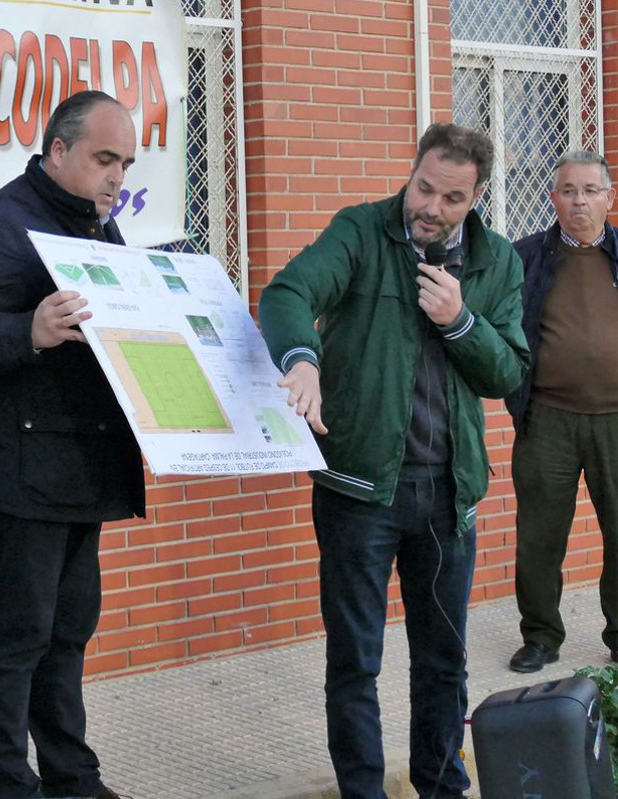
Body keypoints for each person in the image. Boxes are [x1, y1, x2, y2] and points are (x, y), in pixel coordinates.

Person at [258, 122, 530, 799]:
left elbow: (508, 371)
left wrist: (461, 320)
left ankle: (441, 786)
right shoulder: (360, 230)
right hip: (359, 490)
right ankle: (363, 791)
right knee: (355, 661)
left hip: (446, 495)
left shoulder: (497, 261)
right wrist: (302, 359)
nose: (430, 207)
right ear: (411, 174)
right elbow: (288, 293)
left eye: (451, 197)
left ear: (475, 198)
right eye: (423, 187)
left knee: (444, 662)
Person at [0, 90, 143, 799]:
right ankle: (6, 783)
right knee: (18, 634)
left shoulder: (99, 229)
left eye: (127, 163)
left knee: (70, 630)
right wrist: (28, 330)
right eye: (104, 158)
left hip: (84, 464)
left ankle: (71, 776)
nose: (117, 176)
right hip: (19, 470)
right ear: (58, 151)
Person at [505, 151, 618, 673]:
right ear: (553, 198)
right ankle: (542, 637)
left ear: (609, 198)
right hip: (546, 417)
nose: (579, 200)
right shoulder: (525, 257)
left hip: (615, 420)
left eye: (591, 190)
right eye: (568, 190)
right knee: (540, 537)